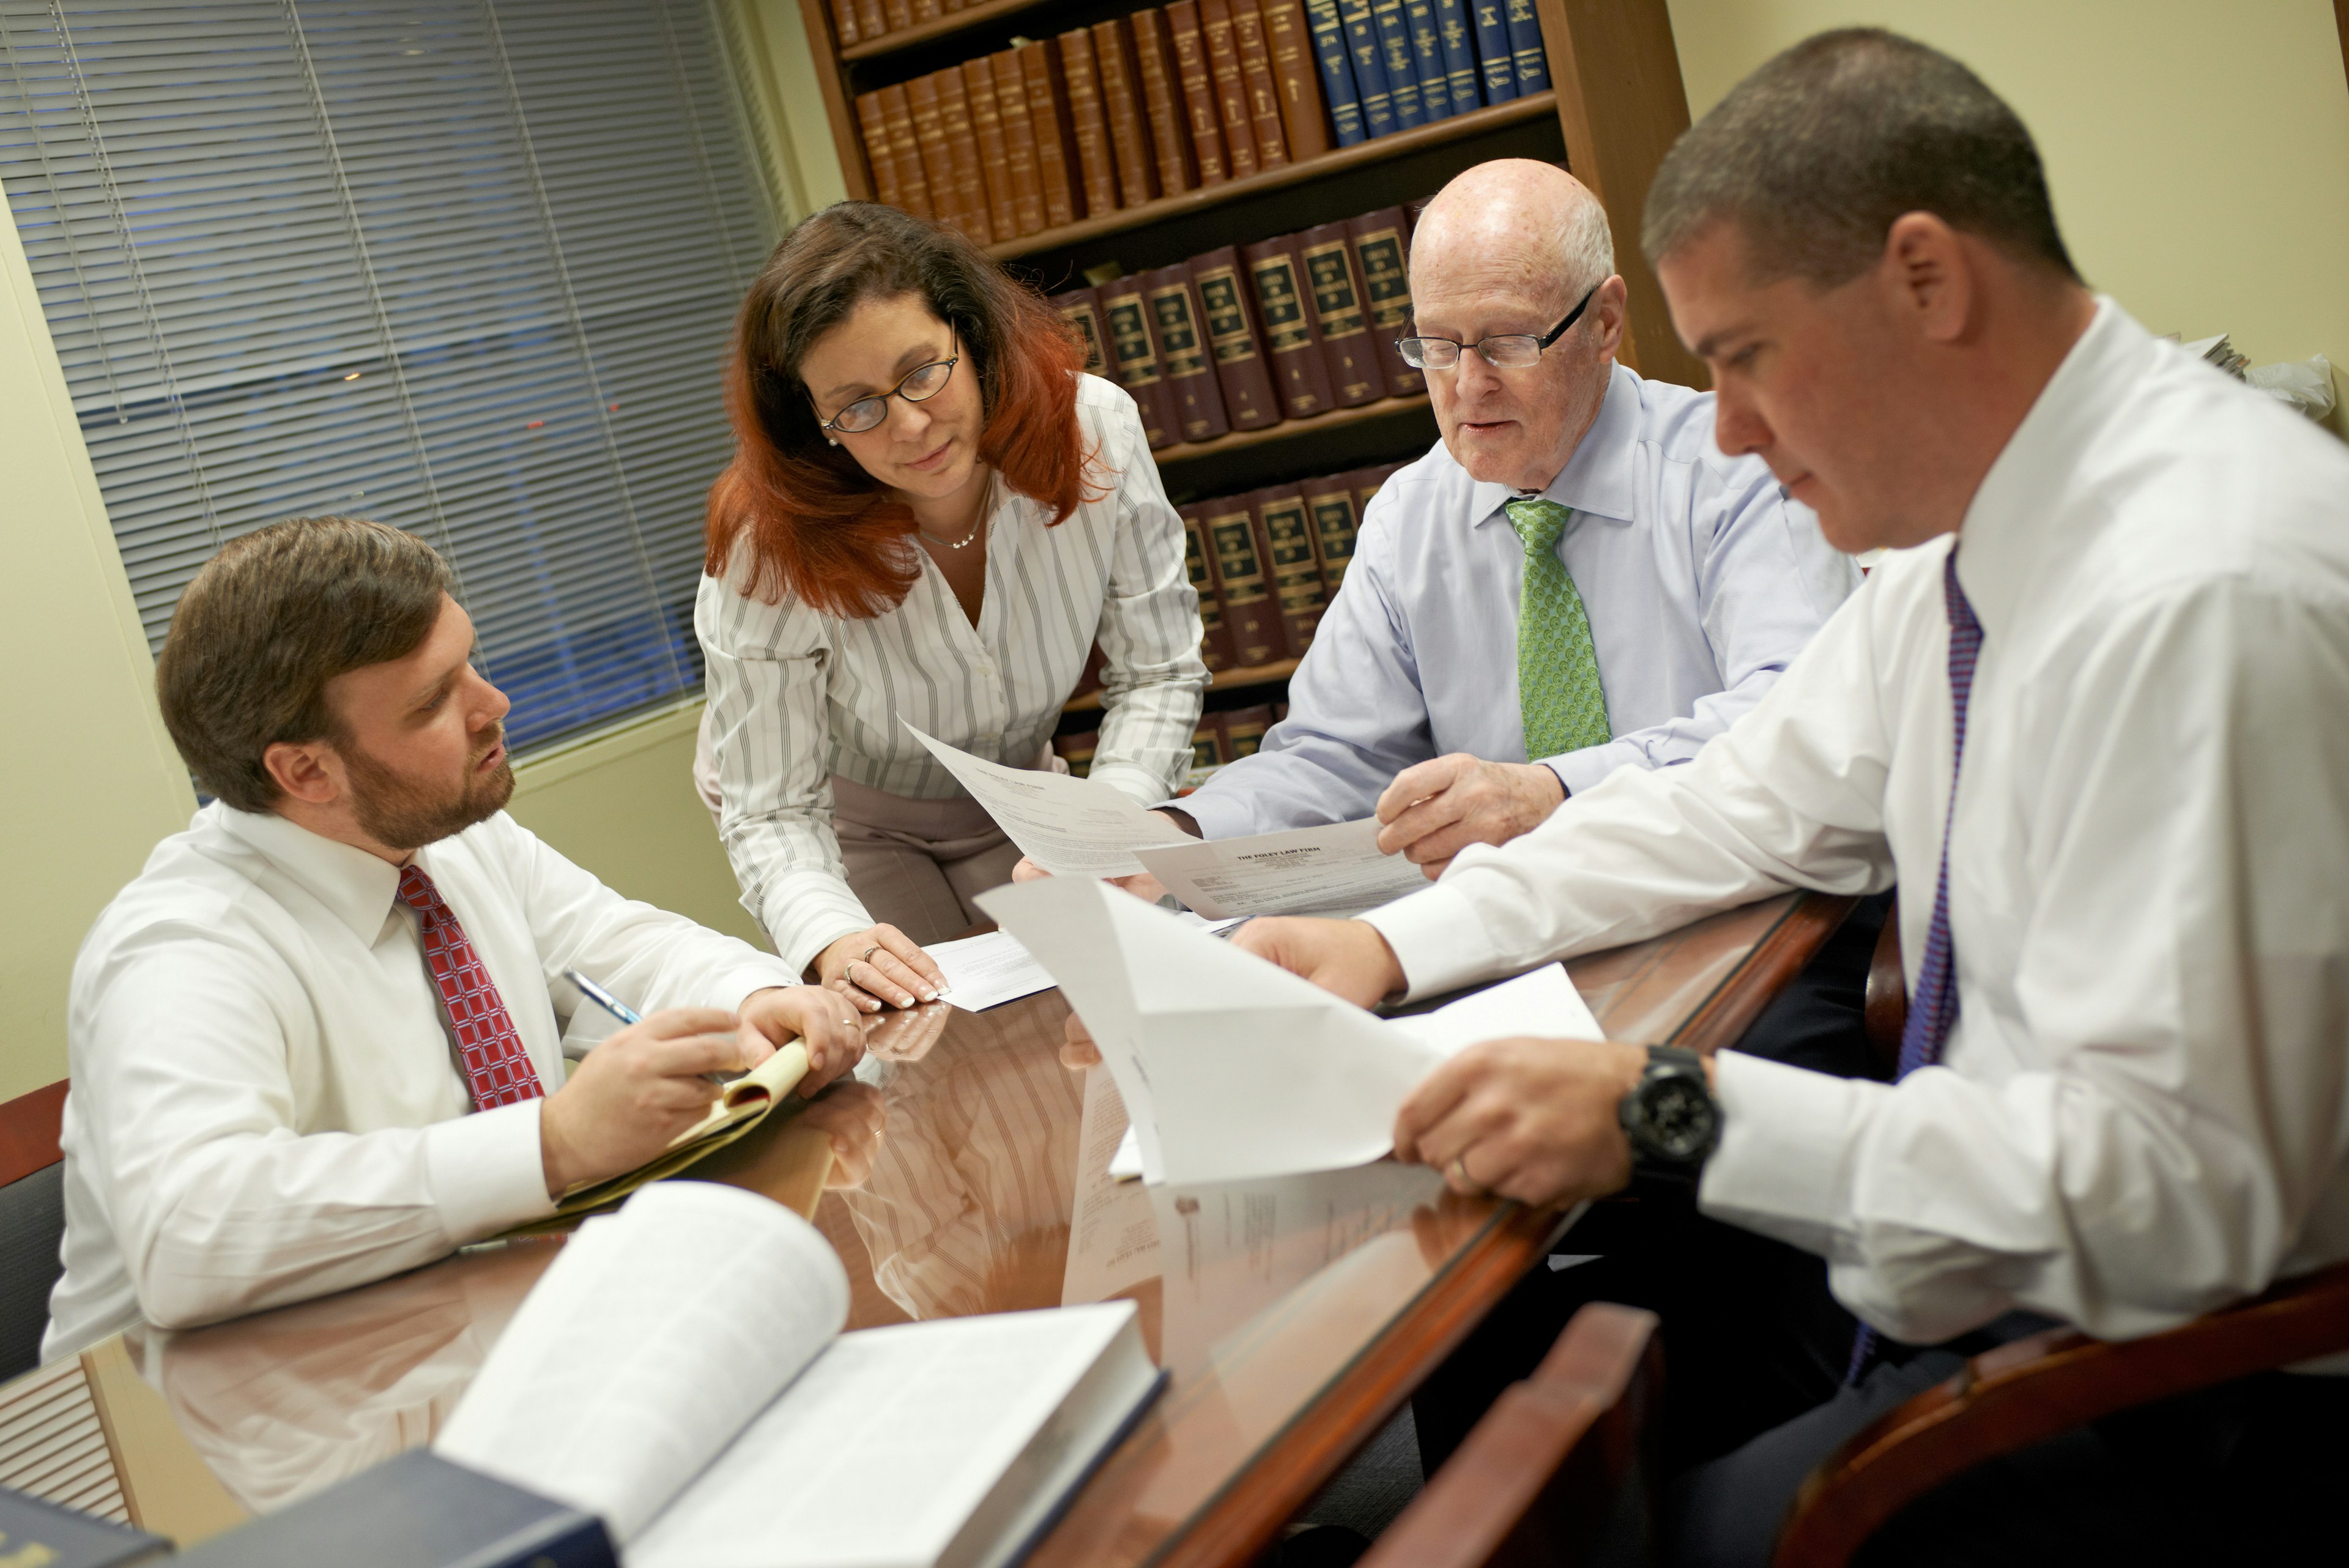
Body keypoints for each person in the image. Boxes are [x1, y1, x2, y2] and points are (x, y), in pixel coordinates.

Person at [1222, 30, 2349, 1563]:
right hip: (2007, 1279)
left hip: (2191, 1387)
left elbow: (2184, 1198)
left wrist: (1674, 1108)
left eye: (1745, 355)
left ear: (1927, 284)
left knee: (1605, 1531)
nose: (1731, 429)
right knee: (1551, 1447)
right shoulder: (1974, 546)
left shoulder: (2196, 592)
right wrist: (1402, 944)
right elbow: (1734, 801)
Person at [48, 517, 881, 1359]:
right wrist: (549, 1146)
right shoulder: (179, 951)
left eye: (470, 663)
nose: (495, 704)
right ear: (305, 772)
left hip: (481, 1334)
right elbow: (190, 1235)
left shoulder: (444, 836)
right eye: (434, 700)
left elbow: (623, 946)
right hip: (225, 1420)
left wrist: (757, 998)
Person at [1044, 160, 1854, 885]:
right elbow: (1335, 757)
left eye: (1507, 342)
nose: (1468, 387)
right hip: (1516, 931)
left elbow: (1796, 716)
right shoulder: (1409, 516)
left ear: (1606, 322)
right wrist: (1173, 834)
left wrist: (1552, 792)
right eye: (1436, 344)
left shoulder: (1740, 468)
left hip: (1746, 903)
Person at [696, 203, 1207, 1014]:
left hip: (1031, 801)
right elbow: (774, 809)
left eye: (922, 370)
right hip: (853, 826)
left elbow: (1158, 669)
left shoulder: (1094, 425)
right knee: (936, 1041)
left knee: (1110, 1006)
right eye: (857, 406)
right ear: (815, 423)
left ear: (971, 338)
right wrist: (830, 939)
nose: (910, 424)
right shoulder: (770, 540)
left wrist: (1106, 823)